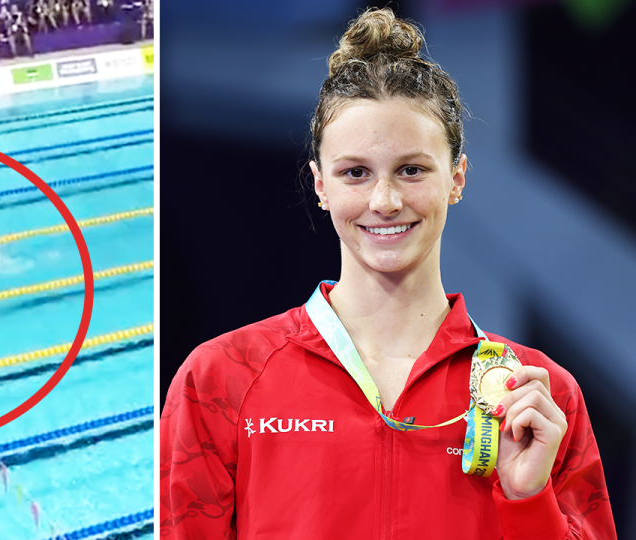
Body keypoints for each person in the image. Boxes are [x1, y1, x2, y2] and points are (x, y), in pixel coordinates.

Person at [159, 8, 617, 540]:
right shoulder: (222, 380)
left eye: (412, 170)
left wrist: (528, 501)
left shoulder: (538, 396)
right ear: (320, 185)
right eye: (355, 173)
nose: (385, 200)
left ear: (457, 178)